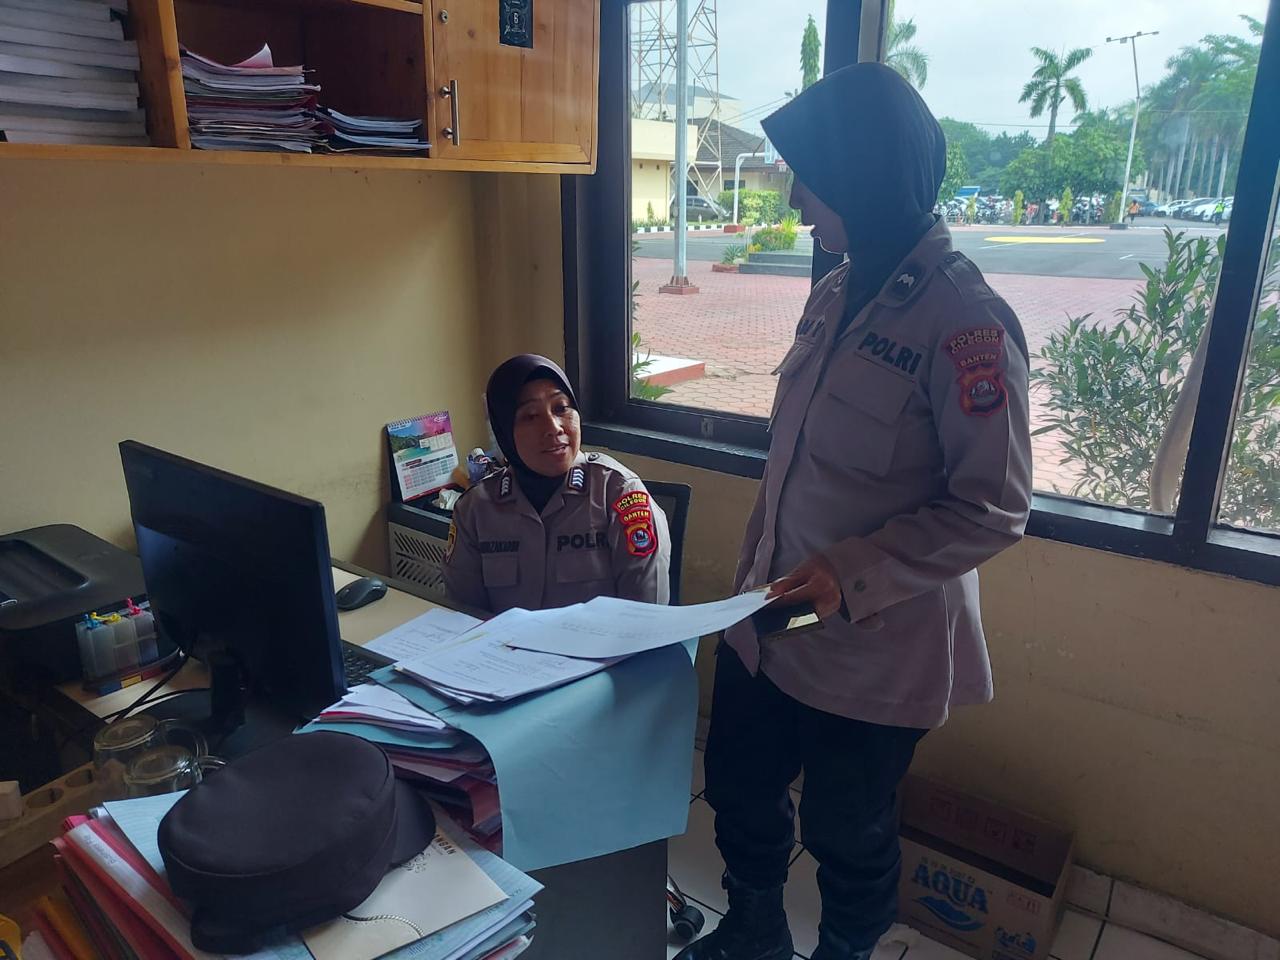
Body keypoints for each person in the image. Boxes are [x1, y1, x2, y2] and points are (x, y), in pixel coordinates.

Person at [675, 64, 1032, 960]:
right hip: (778, 608)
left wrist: (850, 572)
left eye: (813, 177)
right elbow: (796, 464)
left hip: (874, 636)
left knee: (846, 826)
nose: (797, 199)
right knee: (739, 780)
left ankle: (845, 951)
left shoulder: (967, 323)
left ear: (867, 175)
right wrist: (758, 587)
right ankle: (755, 931)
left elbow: (993, 507)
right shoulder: (835, 291)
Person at [443, 354, 671, 614]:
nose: (553, 428)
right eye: (530, 416)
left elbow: (644, 616)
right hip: (504, 642)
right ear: (504, 431)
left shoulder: (619, 493)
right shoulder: (476, 508)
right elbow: (463, 615)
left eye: (561, 408)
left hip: (602, 642)